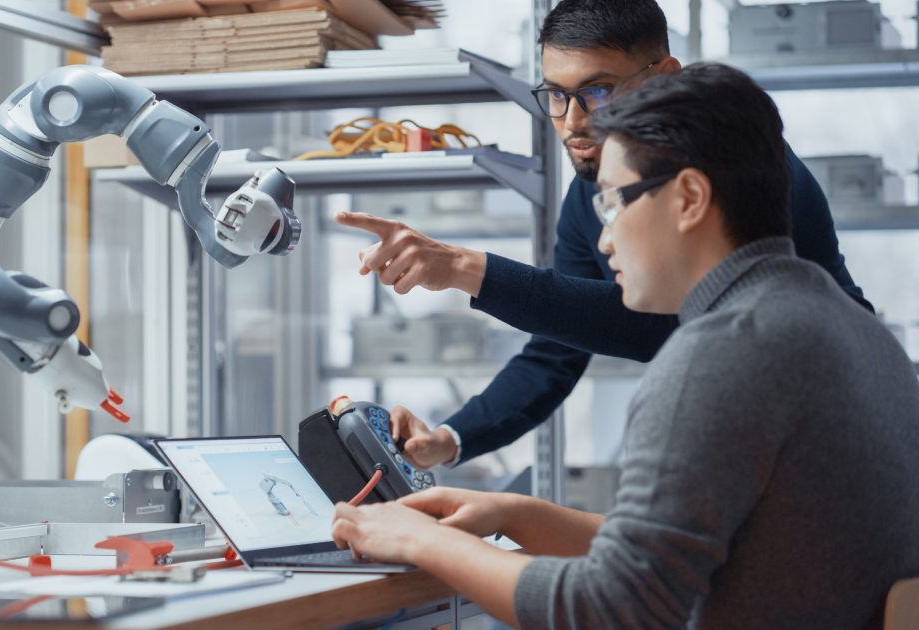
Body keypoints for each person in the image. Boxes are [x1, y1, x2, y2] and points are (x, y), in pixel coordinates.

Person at [330, 63, 919, 630]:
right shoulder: (859, 334)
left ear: (689, 198)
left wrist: (421, 542)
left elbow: (612, 609)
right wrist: (518, 514)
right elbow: (679, 554)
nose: (605, 240)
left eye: (613, 203)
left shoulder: (714, 359)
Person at [334, 0, 872, 469]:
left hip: (837, 417)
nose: (572, 121)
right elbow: (555, 350)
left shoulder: (737, 163)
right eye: (555, 94)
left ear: (663, 77)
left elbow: (672, 322)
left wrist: (466, 269)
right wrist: (449, 439)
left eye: (597, 91)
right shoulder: (586, 195)